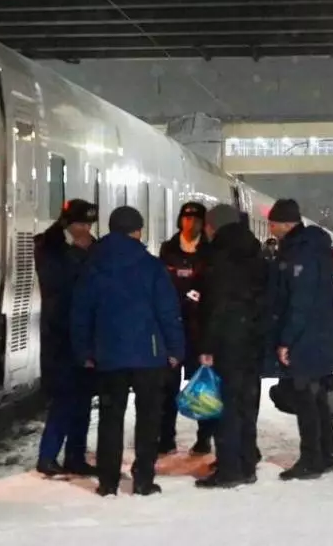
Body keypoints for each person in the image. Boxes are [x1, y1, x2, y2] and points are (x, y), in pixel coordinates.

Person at [71, 206, 185, 496]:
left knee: (110, 418)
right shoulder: (151, 266)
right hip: (148, 355)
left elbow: (81, 313)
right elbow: (168, 312)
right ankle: (143, 479)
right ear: (136, 231)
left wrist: (84, 350)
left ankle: (108, 481)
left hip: (108, 355)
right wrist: (175, 348)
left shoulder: (93, 266)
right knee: (148, 419)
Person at [266, 199, 333, 480]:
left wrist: (286, 340)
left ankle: (312, 460)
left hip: (308, 339)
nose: (270, 229)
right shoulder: (310, 248)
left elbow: (300, 301)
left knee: (307, 402)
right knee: (317, 399)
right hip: (317, 336)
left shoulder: (302, 253)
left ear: (286, 223)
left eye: (273, 223)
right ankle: (330, 455)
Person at [194, 204, 267, 489]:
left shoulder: (221, 257)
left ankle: (230, 469)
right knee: (247, 405)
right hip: (252, 341)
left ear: (213, 227)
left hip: (228, 342)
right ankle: (246, 462)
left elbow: (217, 307)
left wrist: (207, 345)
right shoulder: (254, 252)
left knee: (226, 407)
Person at [34, 199, 98, 476]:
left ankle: (76, 455)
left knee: (83, 399)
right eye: (81, 224)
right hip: (59, 335)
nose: (86, 229)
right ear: (67, 223)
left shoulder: (91, 248)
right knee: (63, 398)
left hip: (84, 334)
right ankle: (47, 456)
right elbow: (54, 285)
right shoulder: (49, 246)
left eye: (89, 224)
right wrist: (78, 255)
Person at [157, 202, 213, 455]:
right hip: (171, 327)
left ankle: (204, 437)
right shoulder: (168, 249)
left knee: (202, 384)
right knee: (167, 385)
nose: (191, 223)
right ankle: (166, 436)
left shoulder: (209, 251)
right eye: (187, 218)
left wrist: (197, 296)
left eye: (196, 219)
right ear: (181, 221)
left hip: (199, 329)